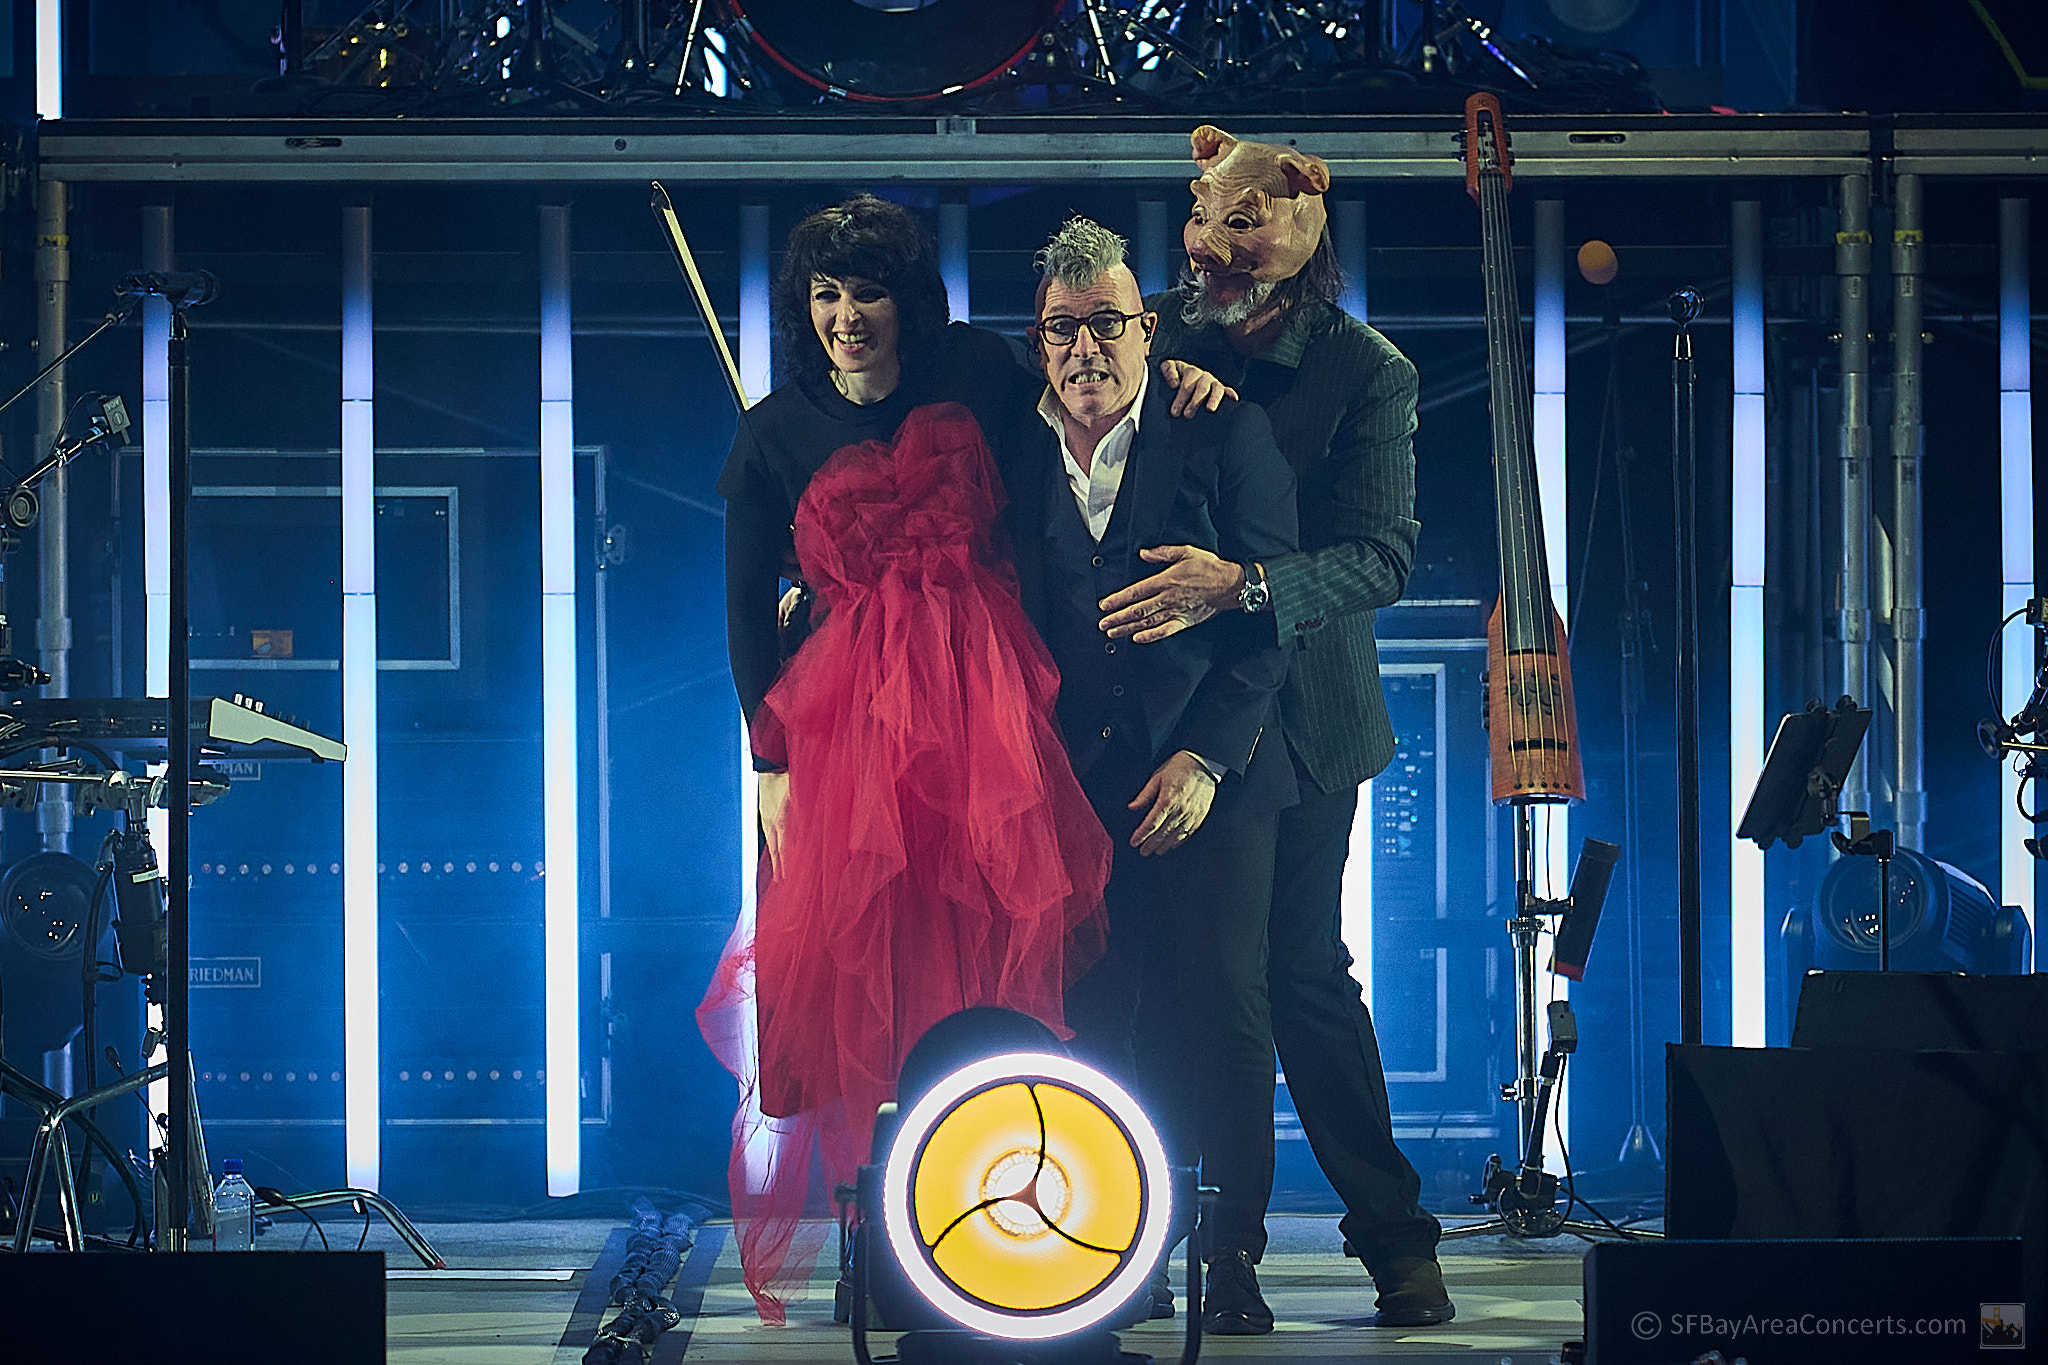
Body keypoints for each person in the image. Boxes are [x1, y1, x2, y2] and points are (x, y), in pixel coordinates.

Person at [699, 195, 1233, 1324]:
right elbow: (745, 610)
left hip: (992, 716)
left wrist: (1183, 371)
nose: (848, 316)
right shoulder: (771, 431)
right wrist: (770, 759)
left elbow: (1096, 381)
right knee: (865, 980)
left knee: (1008, 969)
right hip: (846, 739)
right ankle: (882, 1251)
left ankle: (1021, 1223)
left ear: (909, 301)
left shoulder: (984, 375)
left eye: (869, 292)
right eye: (827, 295)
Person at [1097, 127, 1455, 1330]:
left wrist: (1241, 587)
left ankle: (1391, 1240)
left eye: (1247, 226)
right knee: (1188, 982)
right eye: (1205, 218)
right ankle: (1180, 1241)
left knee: (1297, 976)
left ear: (1303, 231)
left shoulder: (1366, 371)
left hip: (1303, 719)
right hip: (1176, 713)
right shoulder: (1148, 329)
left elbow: (1381, 556)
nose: (1216, 247)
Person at [987, 215, 1300, 1322]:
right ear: (1037, 340)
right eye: (1064, 328)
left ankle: (1230, 1258)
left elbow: (1273, 624)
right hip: (1068, 790)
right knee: (1094, 1018)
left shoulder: (1223, 433)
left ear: (1147, 327)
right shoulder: (1010, 443)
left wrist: (1204, 759)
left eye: (1108, 324)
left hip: (1214, 776)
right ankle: (1130, 1249)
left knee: (1218, 1008)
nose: (1086, 349)